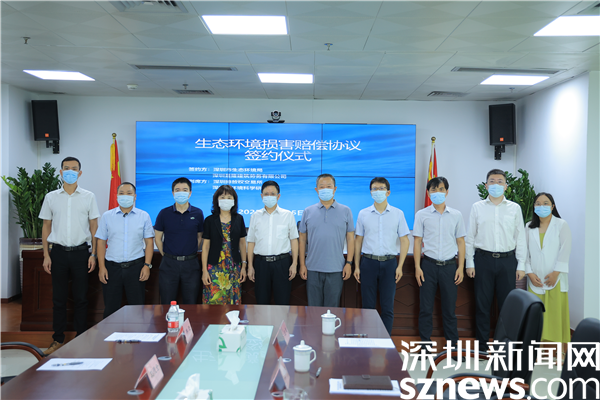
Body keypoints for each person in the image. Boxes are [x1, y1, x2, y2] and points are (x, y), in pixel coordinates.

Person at [39, 156, 100, 355]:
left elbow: (94, 226)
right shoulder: (51, 197)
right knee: (58, 298)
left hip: (81, 253)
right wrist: (46, 255)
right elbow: (46, 226)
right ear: (61, 172)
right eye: (66, 168)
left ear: (80, 173)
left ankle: (81, 339)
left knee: (81, 298)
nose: (70, 172)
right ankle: (57, 339)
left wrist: (93, 254)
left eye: (74, 169)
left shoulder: (89, 196)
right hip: (58, 253)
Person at [465, 169, 527, 351]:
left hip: (507, 261)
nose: (496, 185)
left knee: (507, 306)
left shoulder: (515, 208)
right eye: (492, 181)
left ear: (506, 186)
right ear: (486, 185)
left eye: (500, 181)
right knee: (482, 305)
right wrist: (470, 262)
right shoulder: (477, 207)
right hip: (483, 260)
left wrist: (521, 265)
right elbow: (470, 237)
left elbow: (520, 238)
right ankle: (482, 347)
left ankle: (503, 347)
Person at [412, 177, 466, 347]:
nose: (437, 193)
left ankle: (453, 348)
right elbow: (417, 242)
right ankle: (425, 347)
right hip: (428, 266)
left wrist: (460, 267)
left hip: (449, 267)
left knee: (449, 310)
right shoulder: (421, 215)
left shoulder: (456, 215)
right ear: (428, 193)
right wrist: (417, 267)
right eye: (433, 190)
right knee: (425, 309)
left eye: (441, 189)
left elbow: (461, 242)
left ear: (447, 192)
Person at [354, 177, 410, 335]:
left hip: (390, 263)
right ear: (370, 192)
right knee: (367, 307)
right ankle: (368, 341)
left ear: (388, 192)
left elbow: (405, 241)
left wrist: (400, 266)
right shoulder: (363, 213)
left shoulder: (398, 214)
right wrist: (356, 266)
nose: (377, 192)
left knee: (387, 307)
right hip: (368, 263)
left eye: (381, 188)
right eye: (374, 189)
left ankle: (385, 343)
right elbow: (358, 241)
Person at [95, 182, 154, 318]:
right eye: (121, 193)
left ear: (135, 196)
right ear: (117, 196)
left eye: (129, 193)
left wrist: (147, 265)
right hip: (112, 268)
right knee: (110, 308)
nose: (125, 196)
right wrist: (102, 267)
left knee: (137, 309)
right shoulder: (107, 216)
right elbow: (101, 242)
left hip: (136, 268)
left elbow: (149, 243)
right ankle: (110, 332)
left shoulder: (144, 216)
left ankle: (137, 332)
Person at [525, 192, 571, 357]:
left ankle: (558, 353)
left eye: (546, 203)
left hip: (555, 279)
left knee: (555, 315)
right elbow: (525, 252)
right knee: (537, 316)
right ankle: (537, 351)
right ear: (534, 207)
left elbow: (565, 250)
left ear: (552, 206)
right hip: (535, 279)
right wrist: (529, 273)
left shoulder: (561, 224)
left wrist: (556, 273)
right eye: (538, 203)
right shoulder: (529, 226)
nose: (541, 206)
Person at [299, 174, 354, 307]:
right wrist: (302, 265)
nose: (325, 189)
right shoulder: (308, 211)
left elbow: (351, 238)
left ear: (334, 189)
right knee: (313, 309)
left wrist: (349, 263)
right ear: (316, 190)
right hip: (312, 268)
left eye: (328, 186)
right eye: (321, 187)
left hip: (336, 268)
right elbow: (302, 239)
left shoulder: (346, 211)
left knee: (332, 310)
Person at [247, 181, 299, 305]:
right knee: (261, 302)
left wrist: (294, 263)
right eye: (266, 194)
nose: (269, 196)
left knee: (282, 302)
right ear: (261, 196)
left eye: (272, 194)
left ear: (278, 196)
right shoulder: (255, 216)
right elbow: (251, 242)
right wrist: (250, 266)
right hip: (261, 264)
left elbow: (294, 240)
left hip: (282, 263)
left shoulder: (288, 215)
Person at [154, 177, 204, 305]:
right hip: (169, 264)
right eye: (177, 190)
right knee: (167, 303)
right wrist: (166, 255)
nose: (181, 192)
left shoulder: (198, 213)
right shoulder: (164, 213)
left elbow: (199, 237)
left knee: (191, 303)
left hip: (191, 264)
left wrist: (190, 252)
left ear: (190, 193)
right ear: (173, 193)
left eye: (185, 190)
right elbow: (158, 238)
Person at [202, 185, 247, 305]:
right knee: (214, 301)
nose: (225, 200)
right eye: (222, 197)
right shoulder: (210, 220)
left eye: (229, 197)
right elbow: (205, 247)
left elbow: (242, 244)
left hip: (234, 267)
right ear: (216, 200)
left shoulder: (239, 219)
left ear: (234, 200)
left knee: (233, 302)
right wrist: (204, 271)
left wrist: (244, 266)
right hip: (214, 268)